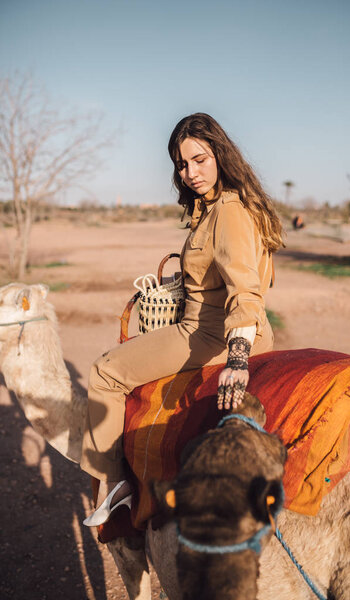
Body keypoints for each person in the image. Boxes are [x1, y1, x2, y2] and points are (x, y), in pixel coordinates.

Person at [81, 113, 284, 526]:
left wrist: (238, 359)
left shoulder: (227, 212)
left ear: (220, 155)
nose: (190, 172)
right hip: (239, 328)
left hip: (209, 332)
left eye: (199, 159)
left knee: (105, 371)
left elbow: (244, 289)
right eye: (182, 164)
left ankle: (117, 485)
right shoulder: (223, 206)